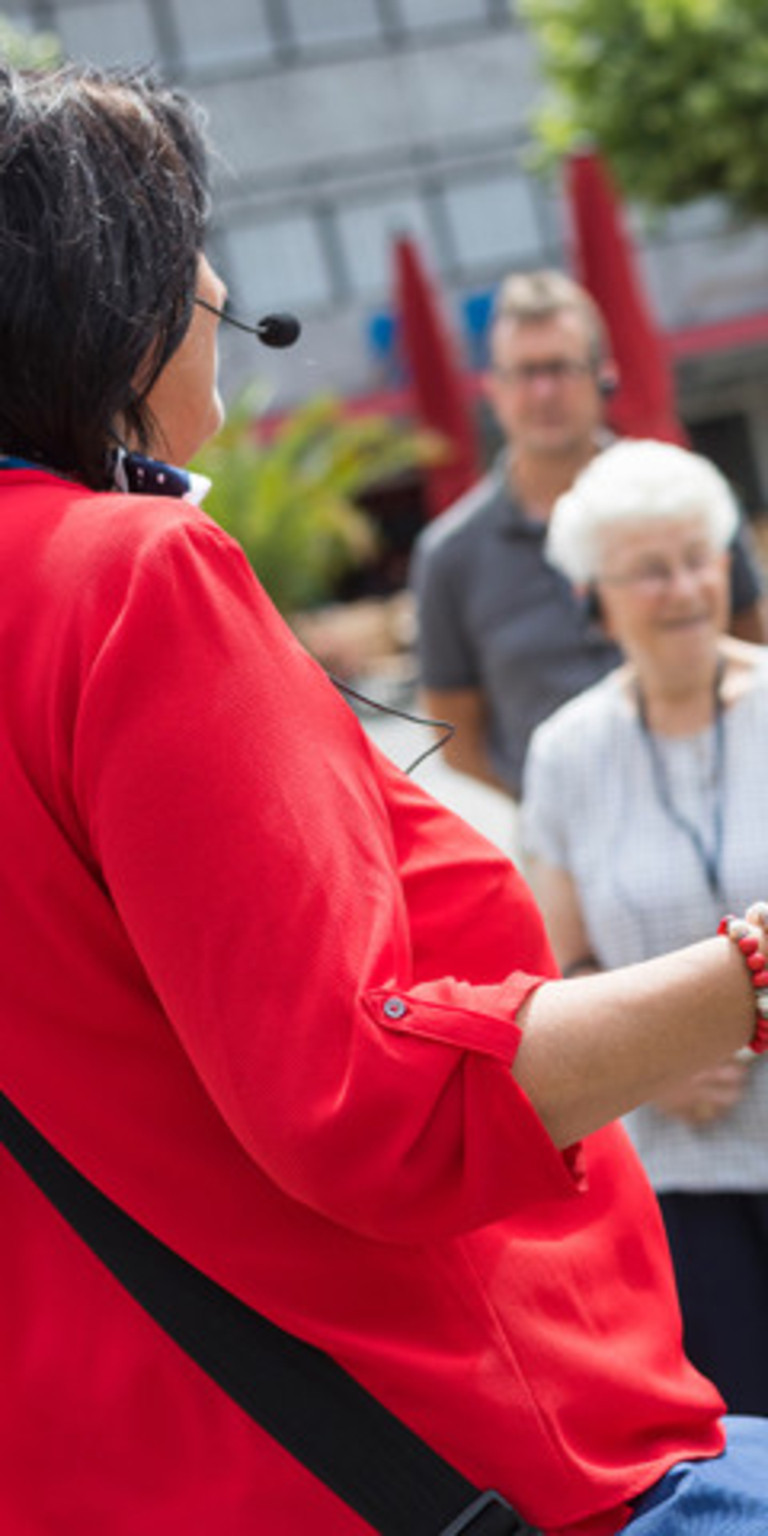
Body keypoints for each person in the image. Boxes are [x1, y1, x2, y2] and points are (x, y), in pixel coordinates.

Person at [3, 60, 768, 1536]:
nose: (222, 281)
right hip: (438, 1448)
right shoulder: (125, 574)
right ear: (119, 293)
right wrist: (750, 973)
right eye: (194, 241)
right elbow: (368, 1104)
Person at [520, 438, 768, 1416]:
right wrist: (656, 1057)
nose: (682, 589)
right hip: (675, 1169)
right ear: (598, 595)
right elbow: (563, 958)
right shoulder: (566, 754)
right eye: (648, 570)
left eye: (698, 556)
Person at [409, 269, 767, 800]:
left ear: (604, 374)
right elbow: (453, 733)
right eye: (525, 372)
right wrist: (556, 801)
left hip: (727, 803)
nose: (544, 391)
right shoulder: (449, 555)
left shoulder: (686, 498)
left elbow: (752, 643)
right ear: (495, 390)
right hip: (566, 844)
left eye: (561, 368)